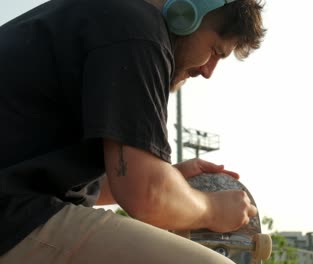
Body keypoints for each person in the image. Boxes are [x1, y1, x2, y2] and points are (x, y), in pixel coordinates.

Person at [0, 0, 266, 262]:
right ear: (186, 12)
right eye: (216, 51)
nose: (208, 71)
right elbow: (146, 195)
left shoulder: (98, 16)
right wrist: (213, 209)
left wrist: (170, 180)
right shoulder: (138, 29)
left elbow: (116, 184)